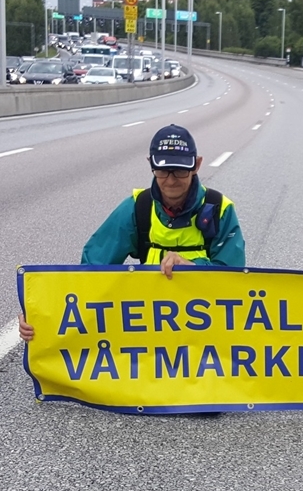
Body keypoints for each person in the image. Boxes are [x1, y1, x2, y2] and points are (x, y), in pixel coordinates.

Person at [19, 124, 244, 340]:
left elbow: (235, 279)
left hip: (205, 325)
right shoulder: (138, 207)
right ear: (151, 164)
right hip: (149, 325)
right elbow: (92, 270)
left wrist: (193, 267)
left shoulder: (220, 209)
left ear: (197, 165)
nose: (171, 180)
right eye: (163, 171)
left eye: (180, 171)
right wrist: (44, 316)